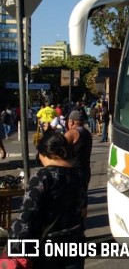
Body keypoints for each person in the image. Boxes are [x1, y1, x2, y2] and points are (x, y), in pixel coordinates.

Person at [8, 130, 86, 268]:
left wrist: (14, 248)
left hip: (47, 249)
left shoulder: (43, 176)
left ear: (46, 153)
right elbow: (83, 211)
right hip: (75, 244)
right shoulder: (78, 175)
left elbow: (27, 214)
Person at [64, 110, 93, 191]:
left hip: (73, 172)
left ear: (72, 122)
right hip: (85, 170)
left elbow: (59, 150)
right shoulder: (87, 133)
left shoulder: (71, 134)